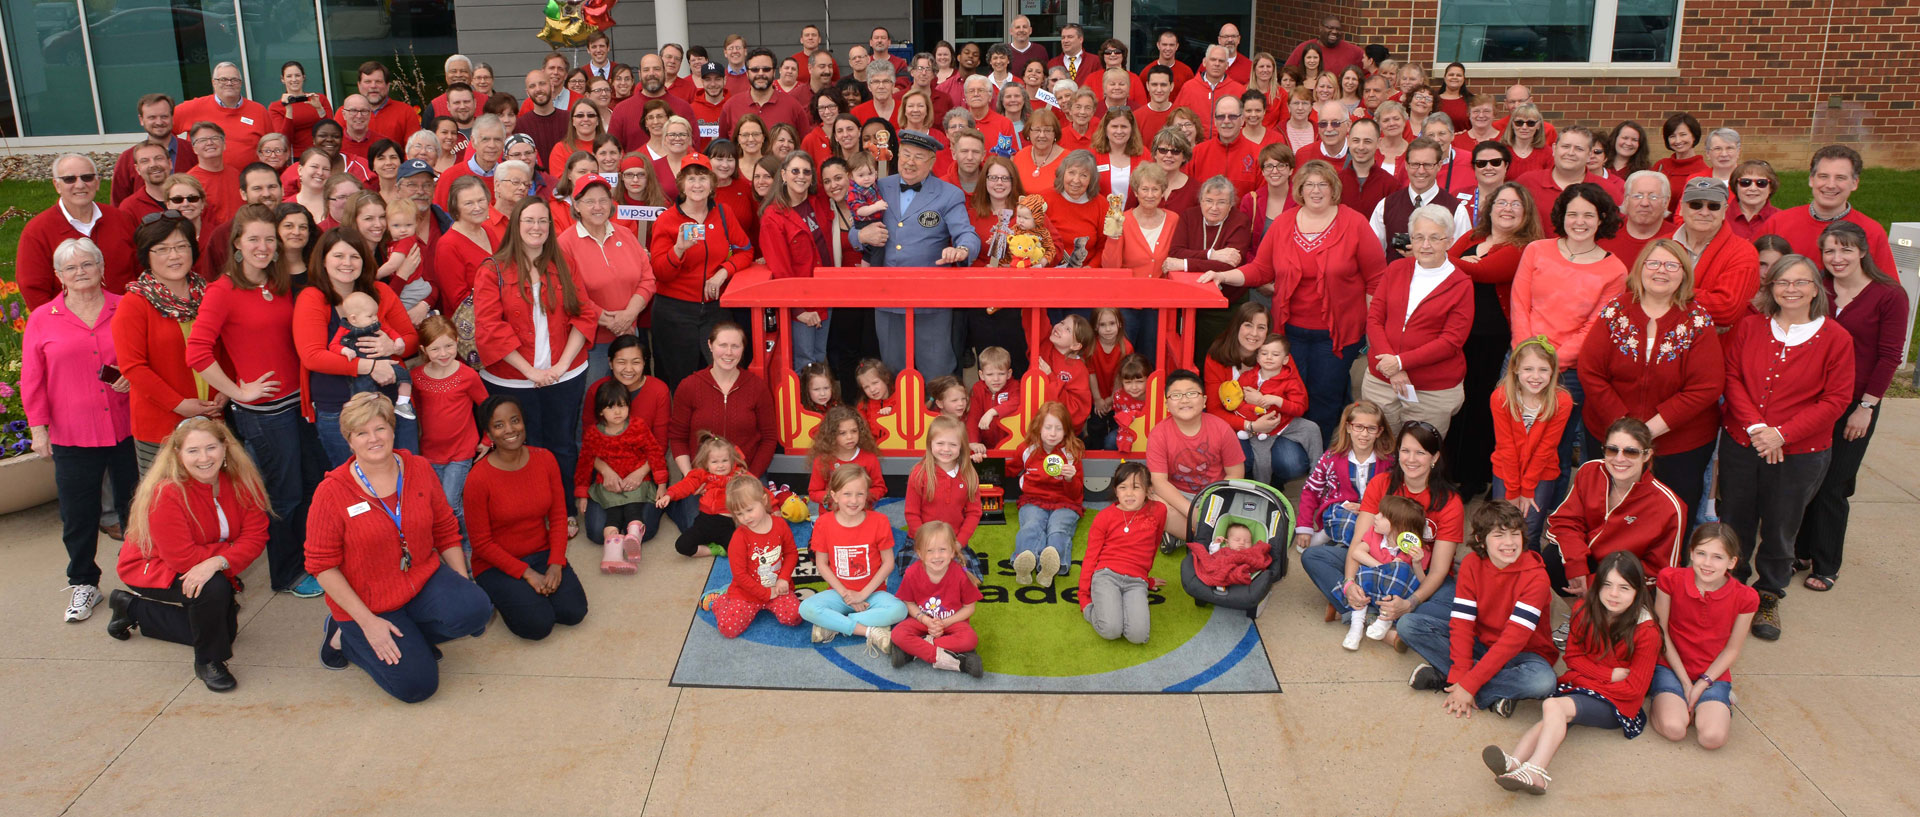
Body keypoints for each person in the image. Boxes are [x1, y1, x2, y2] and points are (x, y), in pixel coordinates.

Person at [308, 393, 493, 703]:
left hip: (421, 579)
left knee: (475, 610)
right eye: (361, 433)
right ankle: (344, 637)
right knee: (417, 687)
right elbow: (321, 567)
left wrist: (462, 581)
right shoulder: (332, 492)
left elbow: (445, 529)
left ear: (393, 429)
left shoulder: (418, 468)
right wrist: (367, 623)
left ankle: (411, 639)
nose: (374, 439)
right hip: (370, 603)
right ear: (349, 441)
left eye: (380, 428)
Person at [185, 205, 327, 596]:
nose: (263, 247)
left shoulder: (278, 283)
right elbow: (197, 352)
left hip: (300, 403)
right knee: (285, 493)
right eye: (254, 240)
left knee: (313, 483)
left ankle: (313, 559)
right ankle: (287, 574)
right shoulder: (223, 290)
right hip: (265, 415)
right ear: (237, 244)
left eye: (269, 239)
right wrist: (237, 391)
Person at [1199, 159, 1387, 445]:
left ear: (1333, 188)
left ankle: (1321, 460)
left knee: (1326, 398)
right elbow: (1261, 269)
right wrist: (1222, 275)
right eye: (1309, 184)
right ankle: (1291, 456)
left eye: (1322, 184)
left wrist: (1373, 327)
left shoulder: (1354, 223)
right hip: (1289, 334)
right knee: (1289, 398)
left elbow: (1376, 278)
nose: (1315, 190)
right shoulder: (1286, 222)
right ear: (1298, 188)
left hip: (1336, 336)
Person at [1719, 253, 1854, 641]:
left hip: (1799, 452)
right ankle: (1731, 588)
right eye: (1782, 282)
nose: (1791, 289)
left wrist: (1783, 434)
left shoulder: (1836, 338)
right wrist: (1759, 428)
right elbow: (1732, 377)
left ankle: (1767, 594)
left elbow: (1836, 399)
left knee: (1781, 525)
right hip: (1743, 440)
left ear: (1816, 289)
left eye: (1801, 282)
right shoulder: (1749, 327)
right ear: (1771, 288)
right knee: (1735, 519)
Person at [103, 417, 268, 691]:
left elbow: (257, 537)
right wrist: (229, 557)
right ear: (178, 455)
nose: (204, 458)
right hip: (152, 566)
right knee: (212, 590)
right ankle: (209, 661)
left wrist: (218, 561)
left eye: (211, 447)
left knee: (223, 631)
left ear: (225, 447)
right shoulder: (166, 492)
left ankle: (131, 608)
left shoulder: (240, 483)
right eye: (193, 451)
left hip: (205, 564)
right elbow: (182, 557)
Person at [23, 239, 140, 623]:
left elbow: (147, 358)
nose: (80, 273)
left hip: (128, 427)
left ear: (102, 267)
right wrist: (38, 430)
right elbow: (32, 379)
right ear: (59, 276)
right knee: (79, 513)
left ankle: (142, 575)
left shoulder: (126, 307)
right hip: (72, 433)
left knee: (136, 507)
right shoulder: (43, 318)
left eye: (87, 264)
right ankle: (84, 582)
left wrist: (133, 378)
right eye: (71, 268)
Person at [1480, 552, 1660, 795]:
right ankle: (1514, 762)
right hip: (1591, 688)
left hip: (1619, 704)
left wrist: (1581, 678)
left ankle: (1536, 772)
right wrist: (1606, 675)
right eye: (1607, 585)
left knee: (1554, 708)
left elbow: (1633, 690)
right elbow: (1573, 658)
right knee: (1555, 716)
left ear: (1638, 591)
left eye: (1624, 587)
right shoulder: (1584, 610)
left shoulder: (1646, 631)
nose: (1614, 594)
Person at [1578, 239, 1726, 525]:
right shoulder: (1615, 312)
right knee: (1607, 515)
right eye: (1654, 263)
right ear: (1640, 268)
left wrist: (1648, 431)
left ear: (1684, 273)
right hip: (1611, 436)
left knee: (1670, 518)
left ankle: (1668, 571)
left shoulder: (1697, 321)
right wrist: (1626, 431)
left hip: (1679, 445)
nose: (1662, 271)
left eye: (1672, 265)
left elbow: (1706, 386)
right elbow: (1591, 371)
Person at [1798, 222, 1908, 591]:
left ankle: (1826, 563)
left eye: (1845, 249)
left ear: (1862, 251)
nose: (1837, 258)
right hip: (1813, 401)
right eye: (1829, 251)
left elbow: (1890, 356)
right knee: (1807, 478)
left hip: (1856, 405)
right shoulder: (1818, 290)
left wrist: (1867, 407)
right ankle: (1801, 549)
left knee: (1833, 483)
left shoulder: (1889, 295)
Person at [1510, 183, 1628, 486]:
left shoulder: (1614, 270)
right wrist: (1528, 359)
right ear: (1562, 215)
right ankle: (1507, 519)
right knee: (1512, 445)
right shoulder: (1537, 250)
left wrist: (1549, 364)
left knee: (1555, 451)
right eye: (1572, 214)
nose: (1579, 222)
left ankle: (1552, 520)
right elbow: (1520, 304)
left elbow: (1594, 327)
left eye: (1588, 215)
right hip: (1519, 362)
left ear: (1602, 218)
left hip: (1570, 373)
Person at [1402, 500, 1559, 719]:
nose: (1509, 543)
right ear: (1481, 540)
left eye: (1515, 534)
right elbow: (1463, 623)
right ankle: (1493, 690)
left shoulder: (1536, 577)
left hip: (1523, 654)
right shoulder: (1471, 564)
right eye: (1498, 535)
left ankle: (1448, 680)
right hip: (1482, 641)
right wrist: (1461, 672)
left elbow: (1513, 641)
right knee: (1409, 625)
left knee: (1543, 681)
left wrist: (1469, 685)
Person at [858, 130, 980, 380]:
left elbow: (967, 234)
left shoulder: (949, 194)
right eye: (905, 154)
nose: (910, 162)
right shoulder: (879, 186)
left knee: (937, 371)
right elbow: (855, 226)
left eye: (919, 157)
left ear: (932, 162)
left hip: (931, 302)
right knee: (891, 370)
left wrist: (962, 249)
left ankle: (937, 418)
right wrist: (862, 236)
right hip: (888, 298)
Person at [464, 395, 588, 640]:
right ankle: (498, 594)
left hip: (541, 553)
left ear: (524, 422)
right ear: (488, 432)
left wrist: (555, 563)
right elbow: (481, 544)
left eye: (515, 421)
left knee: (573, 612)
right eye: (498, 425)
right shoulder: (478, 478)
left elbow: (559, 515)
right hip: (496, 564)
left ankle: (528, 592)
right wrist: (527, 573)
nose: (509, 430)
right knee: (538, 626)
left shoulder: (545, 459)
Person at [1447, 181, 1543, 495]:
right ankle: (1449, 471)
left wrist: (1467, 265)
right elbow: (1446, 261)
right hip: (1459, 335)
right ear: (1490, 207)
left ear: (1526, 212)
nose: (1507, 209)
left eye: (1516, 204)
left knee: (1481, 408)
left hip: (1493, 338)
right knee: (1456, 404)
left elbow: (1487, 272)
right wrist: (1465, 264)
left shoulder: (1523, 246)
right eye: (1502, 202)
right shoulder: (1474, 236)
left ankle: (1474, 478)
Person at [294, 229, 419, 465]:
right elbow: (312, 356)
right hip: (339, 408)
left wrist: (393, 346)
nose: (347, 263)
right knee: (355, 482)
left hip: (390, 402)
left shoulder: (380, 291)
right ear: (323, 259)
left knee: (406, 469)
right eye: (338, 256)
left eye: (355, 256)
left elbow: (411, 339)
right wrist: (370, 366)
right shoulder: (312, 298)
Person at [115, 216, 223, 474]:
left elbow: (227, 346)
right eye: (162, 249)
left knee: (214, 494)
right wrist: (179, 405)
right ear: (146, 255)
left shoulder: (211, 294)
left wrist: (226, 391)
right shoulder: (135, 304)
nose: (174, 255)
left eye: (181, 246)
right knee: (166, 500)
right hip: (161, 426)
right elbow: (133, 368)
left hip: (214, 417)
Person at [1546, 418, 1686, 602]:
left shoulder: (1669, 506)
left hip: (1627, 577)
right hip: (1587, 558)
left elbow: (1661, 571)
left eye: (1631, 452)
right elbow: (1565, 522)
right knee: (1550, 558)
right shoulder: (1590, 471)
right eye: (1612, 450)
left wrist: (1600, 585)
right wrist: (1576, 566)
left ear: (1647, 455)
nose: (1619, 459)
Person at [1362, 205, 1473, 435]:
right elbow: (1374, 318)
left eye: (1435, 238)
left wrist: (1401, 362)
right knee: (1379, 450)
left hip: (1431, 391)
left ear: (1449, 241)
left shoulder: (1461, 284)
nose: (1425, 245)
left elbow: (1451, 341)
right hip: (1381, 382)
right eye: (1419, 237)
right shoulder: (1396, 269)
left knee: (1419, 457)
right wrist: (1393, 366)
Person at [1649, 524, 1756, 749]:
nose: (1707, 564)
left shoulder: (1746, 597)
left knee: (1712, 739)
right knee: (1675, 728)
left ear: (1732, 562)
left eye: (1718, 557)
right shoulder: (1670, 579)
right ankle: (1669, 700)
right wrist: (1686, 683)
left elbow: (1732, 650)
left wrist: (1701, 684)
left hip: (1712, 673)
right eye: (1701, 554)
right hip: (1671, 665)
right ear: (1691, 553)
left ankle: (1711, 704)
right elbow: (1662, 633)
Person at [798, 465, 907, 654]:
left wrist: (862, 595)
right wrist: (846, 594)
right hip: (839, 594)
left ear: (867, 495)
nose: (854, 500)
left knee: (899, 610)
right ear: (834, 495)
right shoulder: (824, 523)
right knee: (806, 608)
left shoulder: (879, 521)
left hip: (872, 594)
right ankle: (867, 631)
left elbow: (888, 563)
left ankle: (833, 624)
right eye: (847, 494)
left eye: (860, 494)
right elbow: (822, 564)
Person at [557, 175, 654, 386]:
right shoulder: (564, 244)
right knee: (594, 398)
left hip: (629, 335)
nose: (598, 207)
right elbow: (570, 294)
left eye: (603, 200)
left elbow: (647, 280)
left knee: (628, 396)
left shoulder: (625, 234)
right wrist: (612, 322)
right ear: (576, 204)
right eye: (589, 201)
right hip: (591, 342)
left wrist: (629, 316)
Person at [19, 155, 140, 310]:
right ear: (57, 185)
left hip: (125, 314)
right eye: (69, 179)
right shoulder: (37, 231)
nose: (80, 185)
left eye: (87, 177)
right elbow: (33, 289)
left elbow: (140, 270)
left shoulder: (121, 219)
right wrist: (55, 322)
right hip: (70, 325)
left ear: (97, 182)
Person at [1759, 145, 1896, 275]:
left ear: (1854, 183)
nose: (1830, 185)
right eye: (1823, 176)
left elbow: (1889, 290)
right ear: (1811, 180)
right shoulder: (1778, 223)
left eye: (1840, 178)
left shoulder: (1871, 231)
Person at [1490, 338, 1574, 549]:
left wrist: (1527, 490)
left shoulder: (1561, 400)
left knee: (1531, 530)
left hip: (1541, 472)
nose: (1535, 377)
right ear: (1516, 368)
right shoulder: (1501, 397)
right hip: (1506, 470)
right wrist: (1513, 491)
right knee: (1502, 526)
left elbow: (1547, 448)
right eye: (1528, 369)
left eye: (1543, 370)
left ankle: (1529, 576)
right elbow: (1506, 447)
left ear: (1553, 371)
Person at [1146, 370, 1247, 538]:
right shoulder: (1159, 434)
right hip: (1178, 495)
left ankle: (1187, 535)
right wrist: (1192, 512)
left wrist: (1214, 503)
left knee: (1245, 509)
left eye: (1192, 393)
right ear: (1167, 405)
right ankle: (1206, 536)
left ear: (1204, 400)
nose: (1185, 400)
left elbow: (1236, 473)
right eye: (1176, 395)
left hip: (1214, 494)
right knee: (1151, 503)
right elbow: (1159, 482)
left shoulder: (1221, 428)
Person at [669, 322, 777, 478]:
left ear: (743, 348)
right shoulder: (689, 386)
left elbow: (769, 438)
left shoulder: (757, 387)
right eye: (723, 345)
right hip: (701, 478)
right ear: (710, 345)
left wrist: (751, 476)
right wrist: (689, 475)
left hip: (746, 476)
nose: (729, 352)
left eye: (735, 346)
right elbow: (678, 437)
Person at [702, 474, 804, 637]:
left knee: (795, 617)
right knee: (728, 629)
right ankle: (722, 600)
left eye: (749, 510)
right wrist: (765, 594)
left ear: (764, 501)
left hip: (778, 588)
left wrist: (783, 578)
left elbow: (791, 553)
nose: (746, 517)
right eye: (739, 514)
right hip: (747, 594)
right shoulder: (739, 537)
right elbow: (740, 575)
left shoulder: (780, 525)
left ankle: (768, 598)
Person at [1293, 401, 1395, 551]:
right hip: (1341, 510)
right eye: (1358, 427)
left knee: (1373, 526)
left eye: (1371, 428)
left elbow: (1396, 495)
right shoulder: (1331, 458)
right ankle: (1330, 536)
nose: (1364, 434)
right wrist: (1304, 526)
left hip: (1376, 511)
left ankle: (1350, 547)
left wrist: (1367, 510)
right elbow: (1312, 490)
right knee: (1345, 521)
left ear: (1379, 431)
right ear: (1348, 427)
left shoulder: (1389, 461)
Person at [1339, 495, 1429, 650]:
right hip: (1371, 591)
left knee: (1401, 568)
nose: (1376, 516)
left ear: (1398, 525)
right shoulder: (1375, 535)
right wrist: (1384, 568)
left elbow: (1422, 582)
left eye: (1382, 516)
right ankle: (1356, 626)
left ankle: (1385, 619)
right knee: (1361, 572)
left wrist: (1416, 563)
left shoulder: (1416, 550)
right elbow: (1357, 553)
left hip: (1395, 601)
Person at [1011, 402, 1086, 586]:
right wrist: (981, 462)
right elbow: (1010, 470)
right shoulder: (1027, 449)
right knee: (1032, 525)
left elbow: (1077, 492)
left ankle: (1052, 565)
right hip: (1033, 501)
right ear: (1038, 426)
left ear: (1066, 430)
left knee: (1058, 528)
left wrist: (1070, 479)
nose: (1053, 433)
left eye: (1058, 429)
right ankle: (1024, 562)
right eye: (1048, 427)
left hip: (1065, 502)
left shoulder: (1071, 453)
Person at [1516, 128, 1614, 237]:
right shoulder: (1527, 182)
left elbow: (1612, 232)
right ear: (1554, 148)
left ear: (1589, 154)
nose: (1571, 153)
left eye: (1579, 149)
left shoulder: (1607, 189)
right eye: (1565, 146)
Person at [174, 62, 273, 168]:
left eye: (234, 80)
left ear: (241, 83)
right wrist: (181, 158)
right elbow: (161, 130)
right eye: (223, 79)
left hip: (249, 180)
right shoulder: (193, 108)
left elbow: (271, 145)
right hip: (204, 181)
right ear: (213, 83)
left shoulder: (258, 111)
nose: (229, 83)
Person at [1372, 138, 1459, 253]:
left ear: (1439, 166)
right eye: (1415, 164)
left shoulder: (1456, 210)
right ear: (1406, 165)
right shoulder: (1385, 206)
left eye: (1428, 165)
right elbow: (1373, 254)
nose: (1421, 171)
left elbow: (1459, 259)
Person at [111, 94, 188, 208]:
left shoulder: (192, 152)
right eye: (152, 117)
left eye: (164, 116)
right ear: (141, 120)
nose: (159, 122)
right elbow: (118, 204)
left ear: (172, 117)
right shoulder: (128, 158)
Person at [1599, 171, 1675, 266]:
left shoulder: (1678, 238)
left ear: (1666, 202)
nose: (1644, 203)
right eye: (1637, 196)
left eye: (1653, 197)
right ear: (1626, 200)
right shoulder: (1605, 234)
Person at [270, 62, 335, 155]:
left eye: (297, 75)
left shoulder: (319, 99)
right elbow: (283, 139)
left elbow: (331, 130)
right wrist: (288, 111)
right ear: (282, 79)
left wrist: (319, 109)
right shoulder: (276, 107)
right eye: (289, 76)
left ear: (303, 77)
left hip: (323, 153)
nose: (294, 79)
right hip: (297, 156)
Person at [1286, 15, 1366, 73]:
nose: (1334, 32)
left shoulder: (1354, 51)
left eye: (1338, 29)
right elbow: (1286, 73)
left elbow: (1371, 72)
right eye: (1330, 28)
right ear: (1320, 28)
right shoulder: (1304, 48)